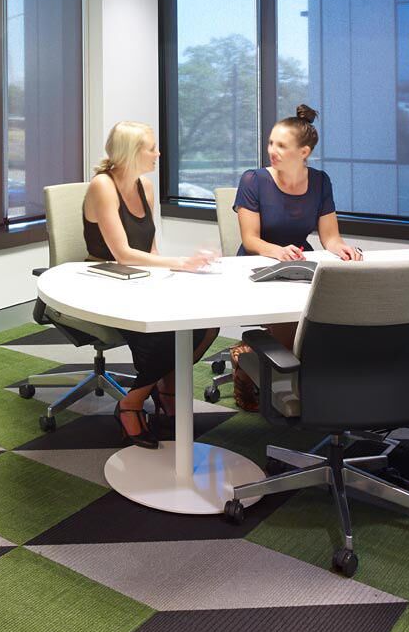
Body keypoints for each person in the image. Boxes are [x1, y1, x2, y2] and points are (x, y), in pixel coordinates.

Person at [82, 121, 217, 447]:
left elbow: (149, 249)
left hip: (138, 279)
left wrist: (173, 276)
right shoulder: (103, 185)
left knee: (206, 323)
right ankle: (132, 402)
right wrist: (181, 262)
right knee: (164, 332)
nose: (158, 154)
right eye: (151, 149)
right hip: (104, 282)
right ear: (131, 152)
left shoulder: (145, 186)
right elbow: (123, 253)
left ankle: (164, 389)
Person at [233, 105, 363, 264]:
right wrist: (279, 251)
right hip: (256, 263)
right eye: (271, 143)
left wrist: (342, 248)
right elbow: (250, 240)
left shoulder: (320, 182)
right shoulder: (252, 180)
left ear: (304, 152)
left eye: (281, 146)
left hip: (298, 261)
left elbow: (330, 237)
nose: (272, 151)